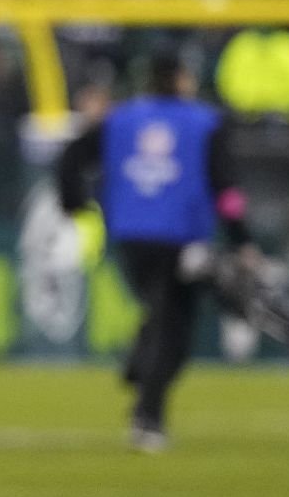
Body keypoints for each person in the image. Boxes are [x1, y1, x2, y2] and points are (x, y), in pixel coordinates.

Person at [57, 51, 253, 452]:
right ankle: (148, 412)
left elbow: (71, 157)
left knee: (161, 314)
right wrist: (241, 239)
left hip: (131, 234)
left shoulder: (120, 119)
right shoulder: (204, 123)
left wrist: (74, 201)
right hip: (180, 236)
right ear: (181, 78)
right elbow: (227, 191)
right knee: (173, 328)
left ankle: (138, 367)